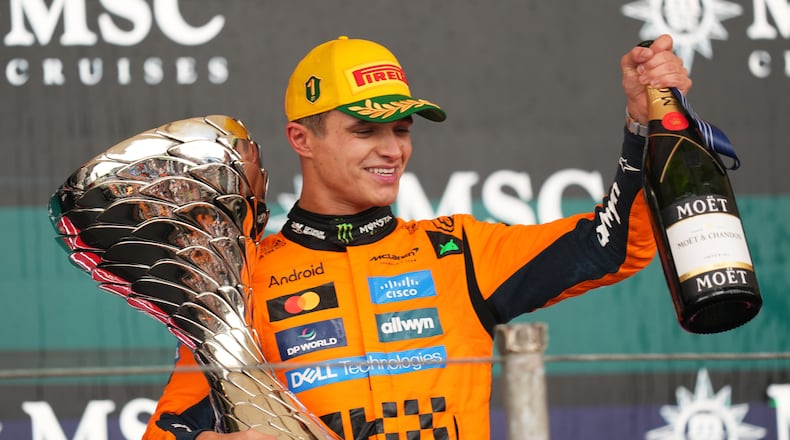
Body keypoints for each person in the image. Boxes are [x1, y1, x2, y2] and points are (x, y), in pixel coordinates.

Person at [143, 34, 691, 440]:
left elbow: (614, 244)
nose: (392, 150)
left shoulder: (457, 251)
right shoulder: (241, 282)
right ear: (301, 138)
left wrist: (646, 126)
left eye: (402, 130)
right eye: (365, 130)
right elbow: (169, 429)